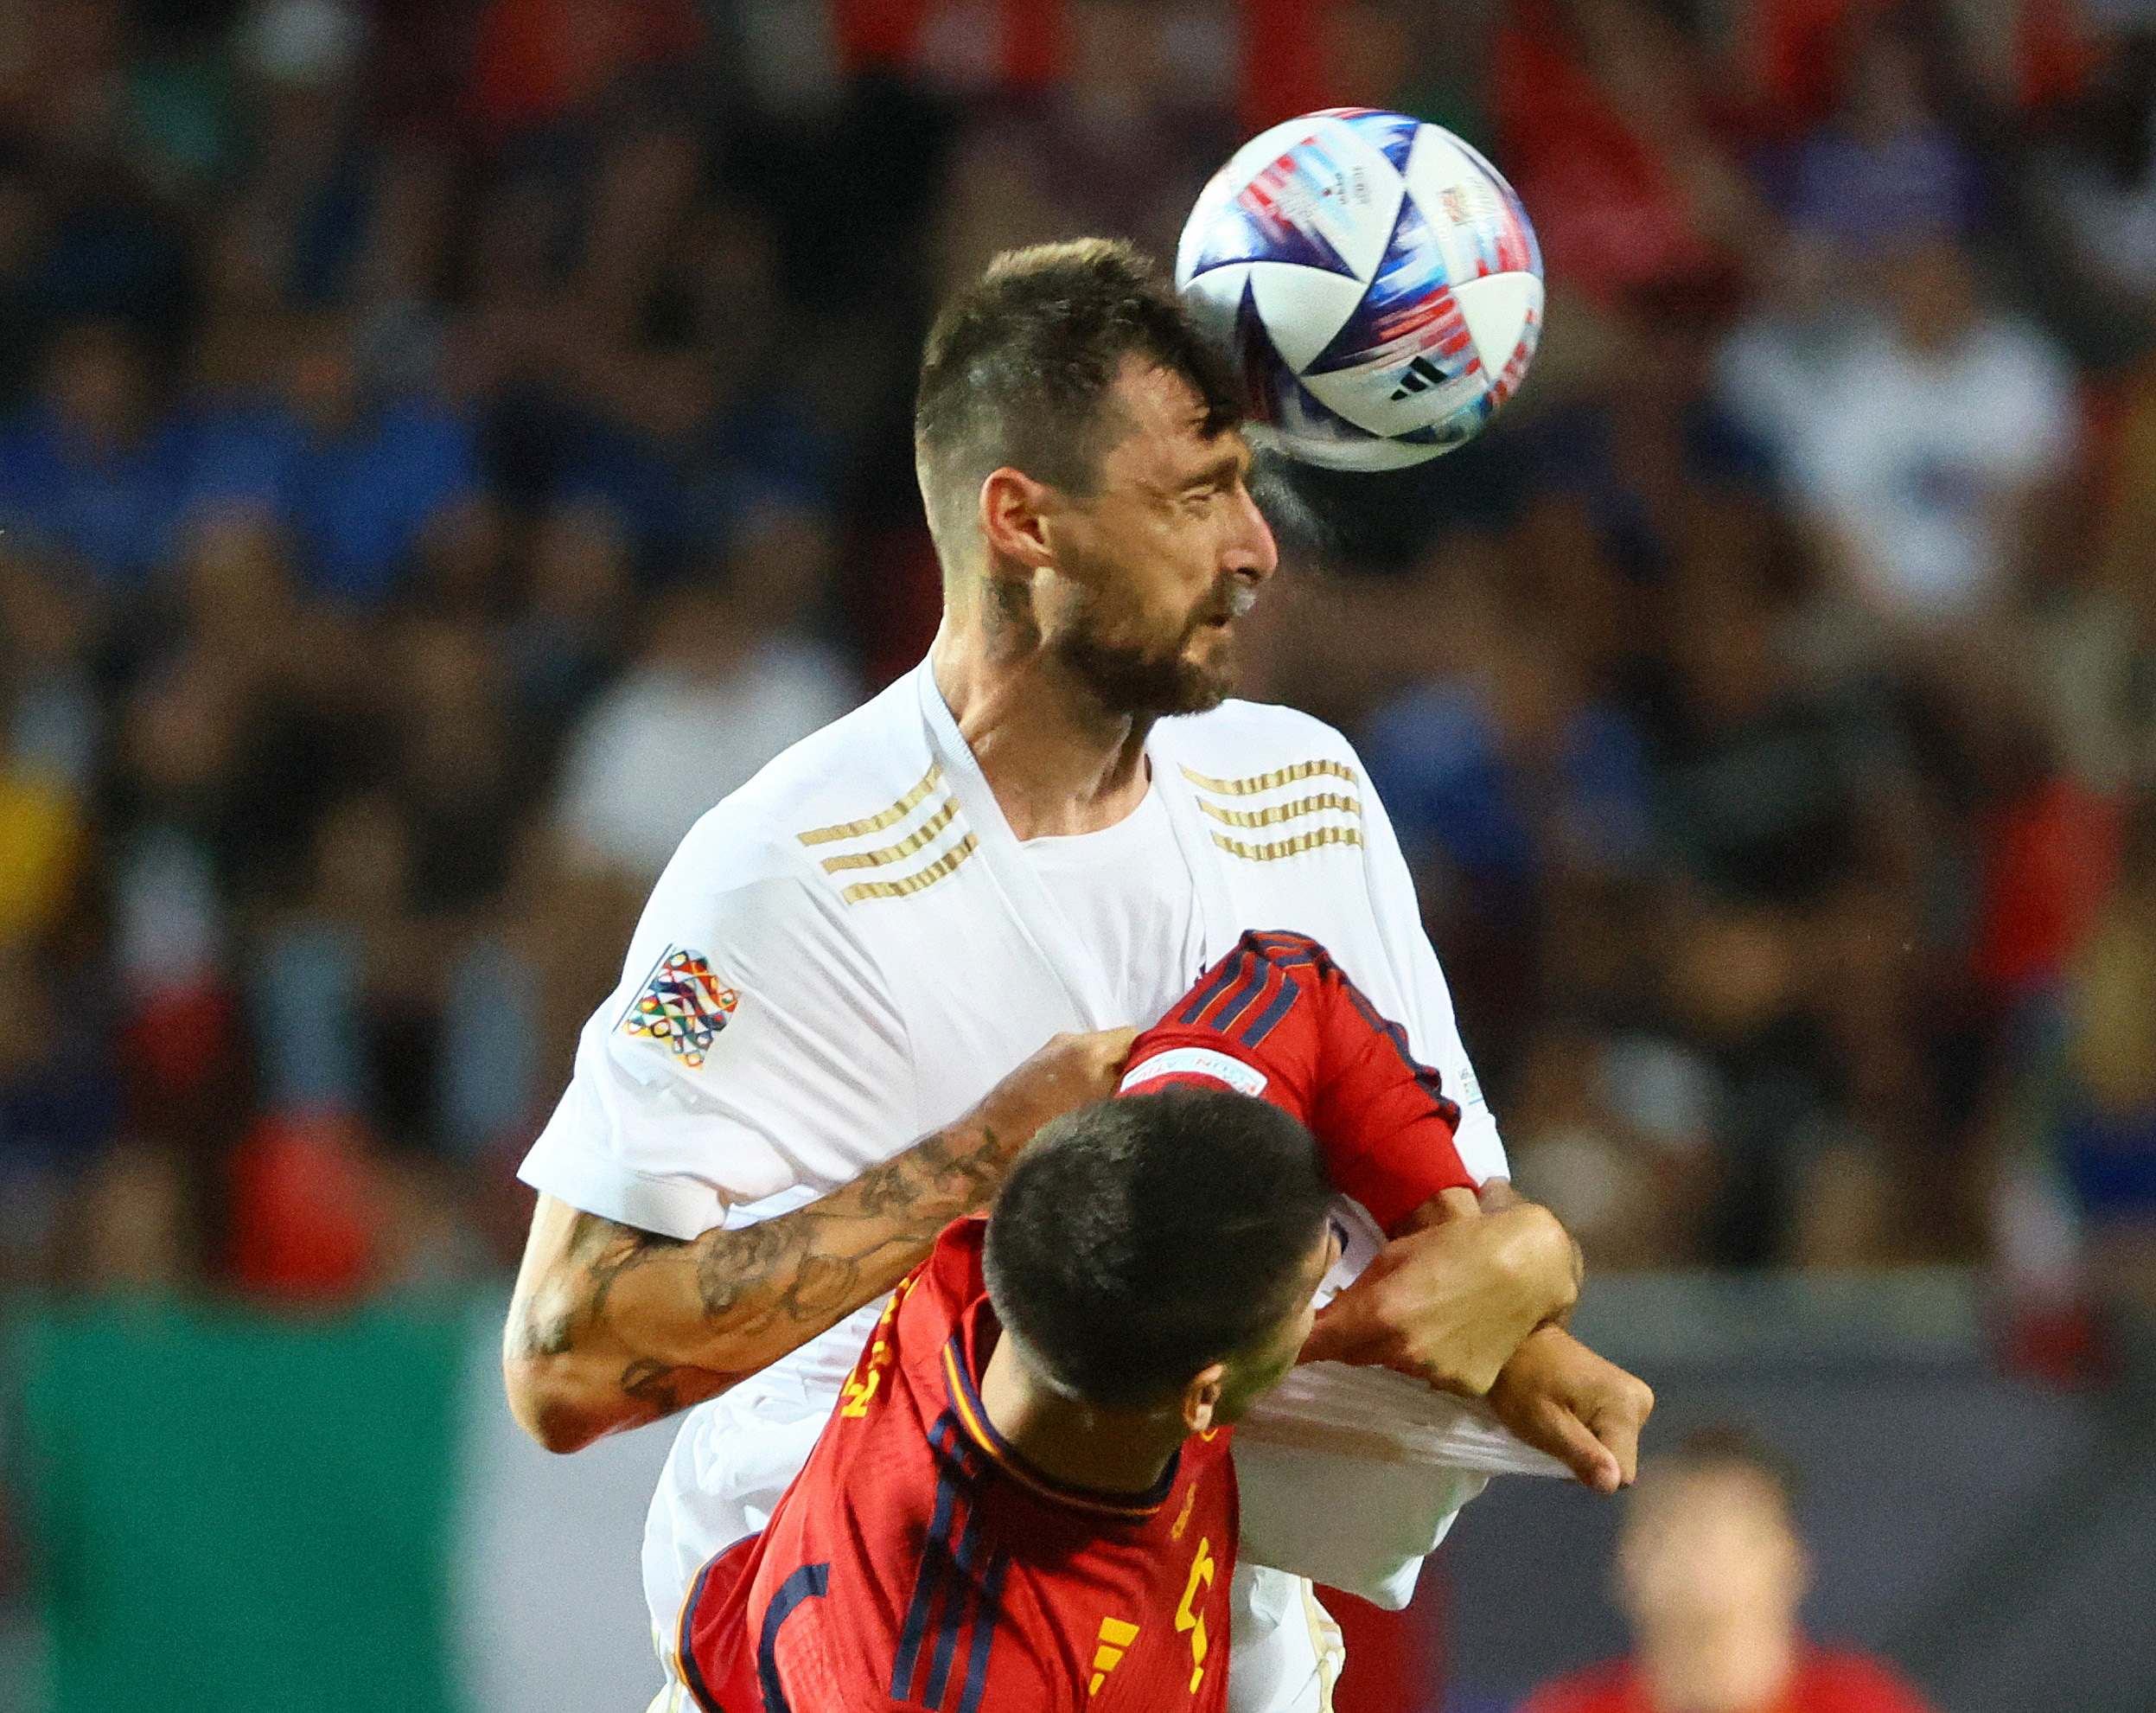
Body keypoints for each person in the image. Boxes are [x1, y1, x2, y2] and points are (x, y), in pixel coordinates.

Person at [501, 238, 1653, 1713]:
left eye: (1246, 484)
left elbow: (1435, 1205)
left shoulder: (1302, 791)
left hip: (1205, 1650)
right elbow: (564, 1361)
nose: (1255, 547)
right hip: (862, 1653)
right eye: (1195, 496)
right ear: (1022, 523)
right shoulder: (780, 874)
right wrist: (981, 1159)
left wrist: (1519, 1260)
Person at [678, 926, 1580, 1710]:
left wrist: (1462, 1227)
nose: (1335, 1281)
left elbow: (1285, 980)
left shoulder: (1092, 1237)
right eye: (1306, 1296)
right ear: (1203, 1401)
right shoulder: (965, 1670)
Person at [1519, 1429, 1932, 1713]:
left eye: (1728, 1526)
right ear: (1626, 1561)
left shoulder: (1866, 1704)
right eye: (1670, 1526)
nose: (1701, 1553)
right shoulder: (1568, 1706)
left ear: (1791, 1558)